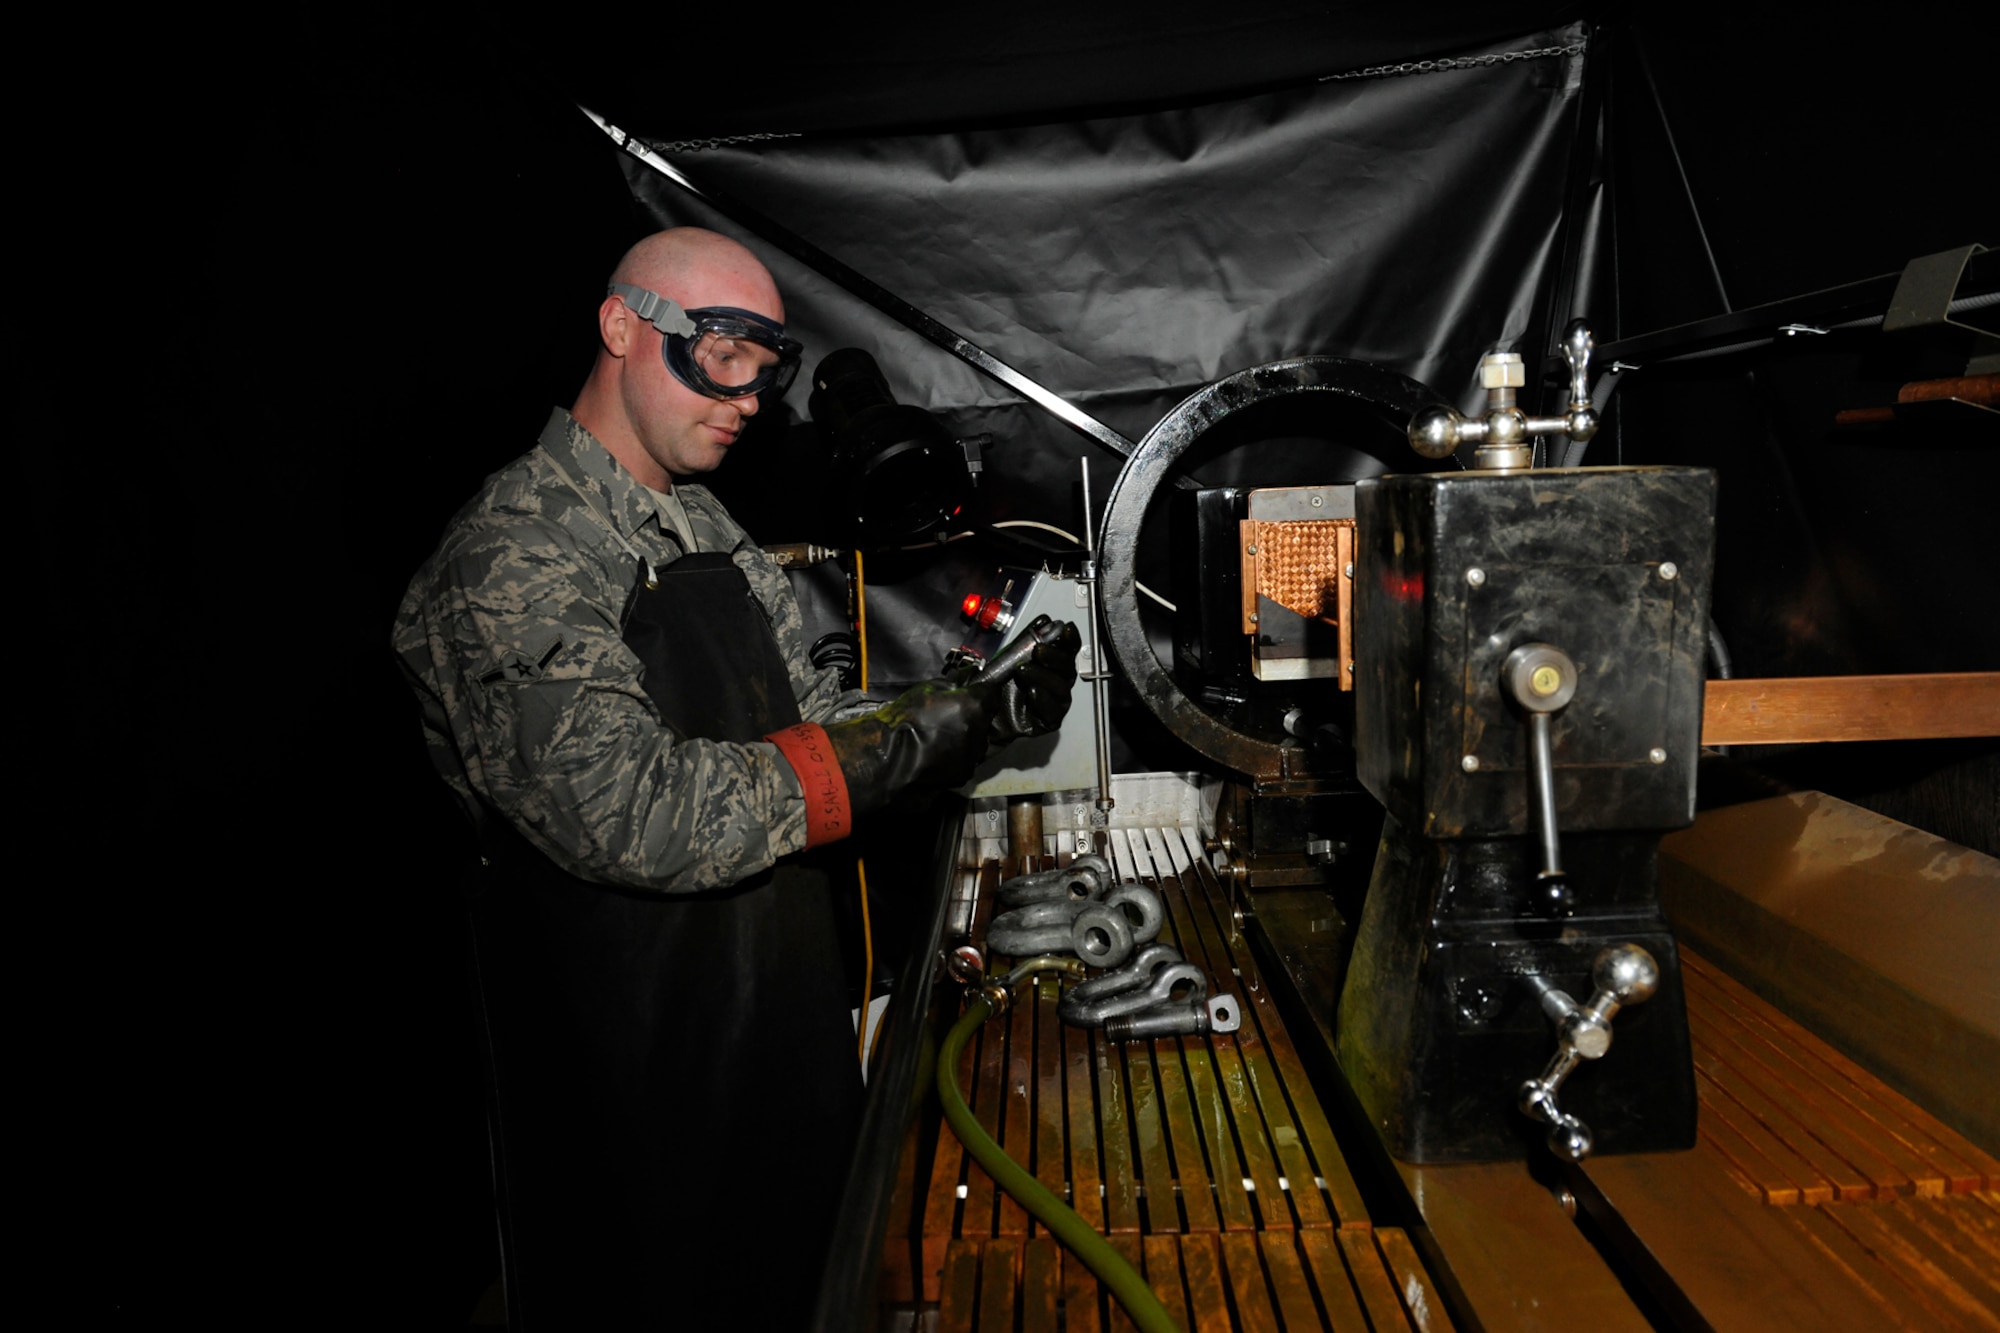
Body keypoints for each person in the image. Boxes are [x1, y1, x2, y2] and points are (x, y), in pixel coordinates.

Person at [394, 227, 1078, 1327]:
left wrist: (956, 709)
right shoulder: (514, 551)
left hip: (773, 1048)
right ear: (622, 328)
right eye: (723, 354)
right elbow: (632, 812)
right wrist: (909, 741)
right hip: (625, 1099)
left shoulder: (703, 523)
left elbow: (809, 719)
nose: (752, 396)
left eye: (771, 369)